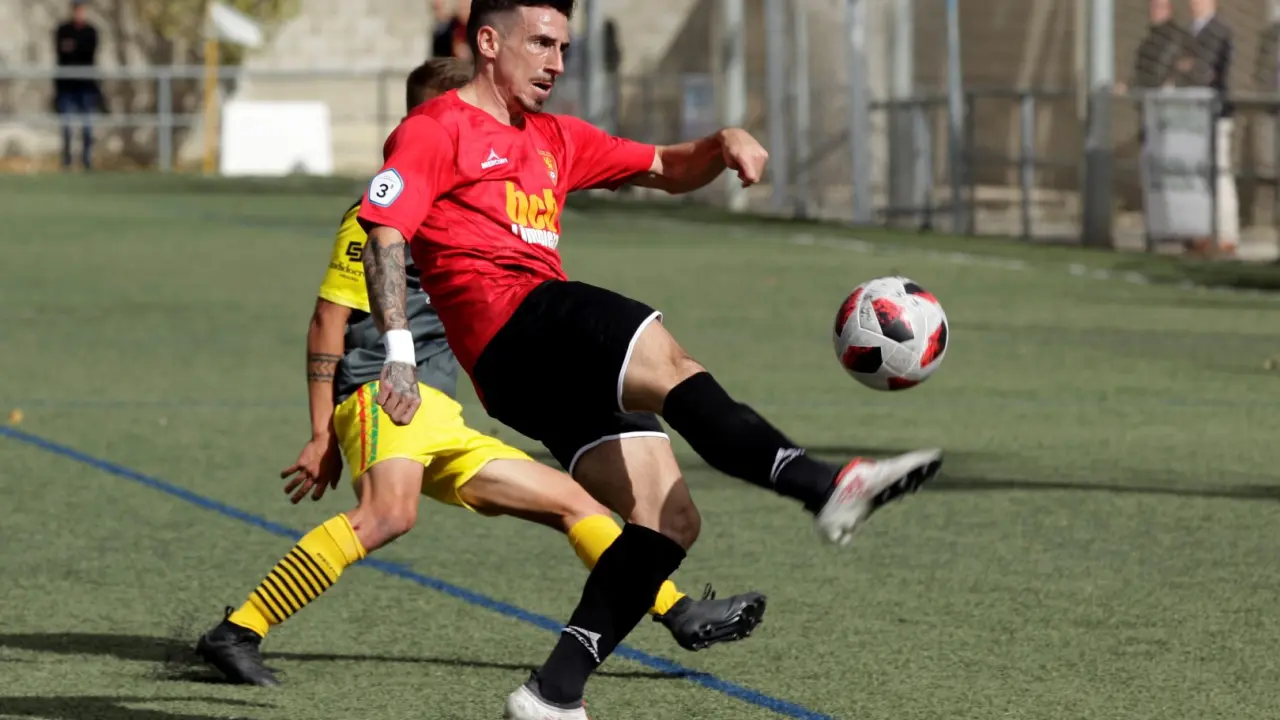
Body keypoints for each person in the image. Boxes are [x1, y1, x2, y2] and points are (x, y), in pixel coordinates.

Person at [356, 2, 945, 717]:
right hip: (515, 319)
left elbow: (664, 166)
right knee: (663, 358)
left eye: (563, 48)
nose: (556, 63)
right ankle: (824, 487)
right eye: (540, 43)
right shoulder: (436, 127)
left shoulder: (554, 137)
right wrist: (398, 352)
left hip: (525, 372)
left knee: (668, 520)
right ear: (487, 41)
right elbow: (385, 233)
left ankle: (552, 694)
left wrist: (720, 144)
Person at [194, 56, 766, 688]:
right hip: (384, 399)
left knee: (573, 502)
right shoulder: (376, 213)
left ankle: (676, 609)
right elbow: (328, 320)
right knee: (388, 514)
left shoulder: (474, 200)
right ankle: (238, 631)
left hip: (439, 414)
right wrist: (322, 432)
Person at [53, 0, 100, 170]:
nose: (79, 13)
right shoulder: (63, 29)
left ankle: (86, 161)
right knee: (67, 125)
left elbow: (88, 53)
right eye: (77, 10)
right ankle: (67, 161)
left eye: (82, 10)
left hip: (86, 86)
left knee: (87, 126)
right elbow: (61, 52)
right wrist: (77, 48)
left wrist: (74, 46)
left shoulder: (91, 31)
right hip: (66, 86)